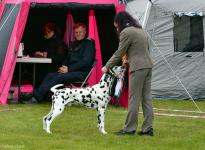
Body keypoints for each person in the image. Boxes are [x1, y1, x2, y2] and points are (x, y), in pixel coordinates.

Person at [101, 11, 154, 136]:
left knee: (133, 99)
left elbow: (120, 52)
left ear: (120, 23)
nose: (117, 29)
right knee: (146, 98)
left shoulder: (126, 32)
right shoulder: (141, 30)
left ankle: (129, 129)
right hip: (148, 66)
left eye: (116, 26)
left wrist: (106, 66)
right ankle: (148, 129)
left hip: (138, 68)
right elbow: (142, 50)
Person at [24, 23, 96, 104]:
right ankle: (37, 94)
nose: (78, 34)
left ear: (85, 32)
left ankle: (36, 96)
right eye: (76, 32)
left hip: (81, 73)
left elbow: (86, 62)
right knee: (50, 75)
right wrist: (63, 66)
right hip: (71, 71)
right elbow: (68, 58)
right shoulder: (75, 43)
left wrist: (69, 69)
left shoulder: (88, 44)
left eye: (80, 32)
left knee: (58, 77)